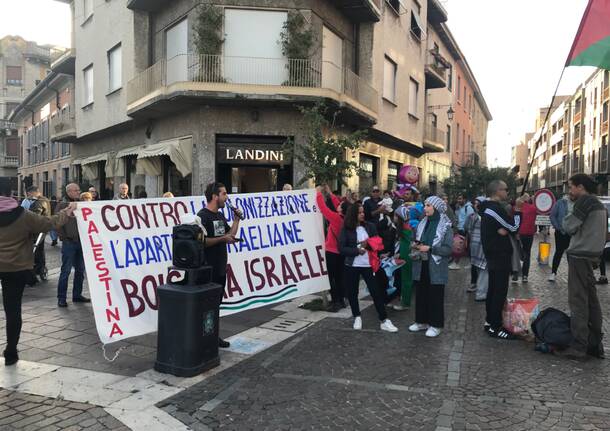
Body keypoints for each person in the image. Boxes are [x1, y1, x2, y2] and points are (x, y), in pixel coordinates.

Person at [0, 181, 76, 365]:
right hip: (16, 268)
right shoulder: (23, 215)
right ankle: (11, 352)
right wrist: (67, 211)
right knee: (13, 310)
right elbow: (49, 223)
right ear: (11, 193)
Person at [557, 174, 606, 359]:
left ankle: (579, 346)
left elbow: (568, 226)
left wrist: (569, 209)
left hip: (580, 255)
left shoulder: (584, 202)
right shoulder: (598, 203)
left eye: (571, 187)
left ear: (580, 187)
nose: (570, 191)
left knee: (578, 301)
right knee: (592, 301)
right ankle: (595, 344)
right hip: (593, 255)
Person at [338, 202, 398, 333]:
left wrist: (367, 245)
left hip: (369, 265)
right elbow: (341, 248)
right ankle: (357, 317)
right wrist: (356, 250)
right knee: (353, 293)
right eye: (359, 212)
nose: (362, 214)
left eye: (363, 212)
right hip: (352, 265)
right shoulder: (346, 229)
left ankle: (384, 320)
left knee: (376, 292)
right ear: (353, 214)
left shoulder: (370, 226)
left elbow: (378, 242)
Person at [198, 182, 242, 348]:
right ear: (215, 196)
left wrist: (237, 219)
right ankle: (203, 337)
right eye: (224, 194)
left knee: (216, 305)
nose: (226, 197)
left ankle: (213, 336)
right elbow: (201, 242)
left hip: (220, 268)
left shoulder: (221, 216)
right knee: (206, 306)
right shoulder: (202, 216)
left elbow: (230, 235)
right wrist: (222, 239)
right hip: (208, 268)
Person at [480, 180, 522, 340]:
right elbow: (513, 227)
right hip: (499, 255)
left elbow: (507, 228)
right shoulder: (494, 209)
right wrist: (518, 210)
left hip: (494, 254)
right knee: (499, 291)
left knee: (493, 289)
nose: (507, 192)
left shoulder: (489, 209)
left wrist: (506, 229)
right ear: (497, 191)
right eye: (505, 189)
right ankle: (495, 327)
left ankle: (489, 321)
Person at [408, 196, 453, 338]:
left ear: (436, 208)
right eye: (425, 205)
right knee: (421, 293)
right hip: (421, 263)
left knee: (436, 295)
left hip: (436, 266)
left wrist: (430, 248)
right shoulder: (422, 223)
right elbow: (415, 239)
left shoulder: (445, 226)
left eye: (428, 205)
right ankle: (421, 321)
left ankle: (436, 325)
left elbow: (447, 249)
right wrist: (415, 244)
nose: (425, 208)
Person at [56, 183, 90, 307]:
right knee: (65, 271)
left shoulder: (81, 204)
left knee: (80, 270)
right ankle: (61, 297)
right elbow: (57, 222)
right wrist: (64, 238)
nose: (78, 192)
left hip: (81, 242)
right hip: (69, 242)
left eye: (78, 190)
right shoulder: (62, 205)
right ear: (69, 192)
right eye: (76, 190)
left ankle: (77, 295)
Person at [316, 185, 348, 312]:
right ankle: (342, 299)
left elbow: (323, 208)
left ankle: (336, 301)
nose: (338, 204)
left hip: (332, 252)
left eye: (340, 205)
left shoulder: (335, 218)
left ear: (341, 210)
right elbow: (337, 205)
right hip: (342, 252)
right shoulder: (346, 219)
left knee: (331, 278)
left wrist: (318, 194)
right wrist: (330, 194)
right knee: (340, 277)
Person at [465, 197, 488, 301]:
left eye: (477, 203)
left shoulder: (473, 216)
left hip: (475, 244)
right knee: (483, 269)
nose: (475, 205)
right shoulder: (479, 217)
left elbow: (468, 229)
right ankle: (481, 293)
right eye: (474, 203)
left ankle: (481, 290)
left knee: (480, 268)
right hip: (480, 244)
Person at [549, 195, 571, 282]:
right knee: (558, 252)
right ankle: (553, 272)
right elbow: (552, 216)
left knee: (571, 254)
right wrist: (557, 227)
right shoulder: (559, 203)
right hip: (560, 232)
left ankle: (572, 274)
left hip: (571, 232)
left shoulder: (576, 203)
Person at [516, 193, 537, 283]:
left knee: (516, 254)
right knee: (527, 254)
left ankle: (515, 274)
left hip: (518, 233)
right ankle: (525, 275)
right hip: (529, 233)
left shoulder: (517, 208)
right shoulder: (533, 208)